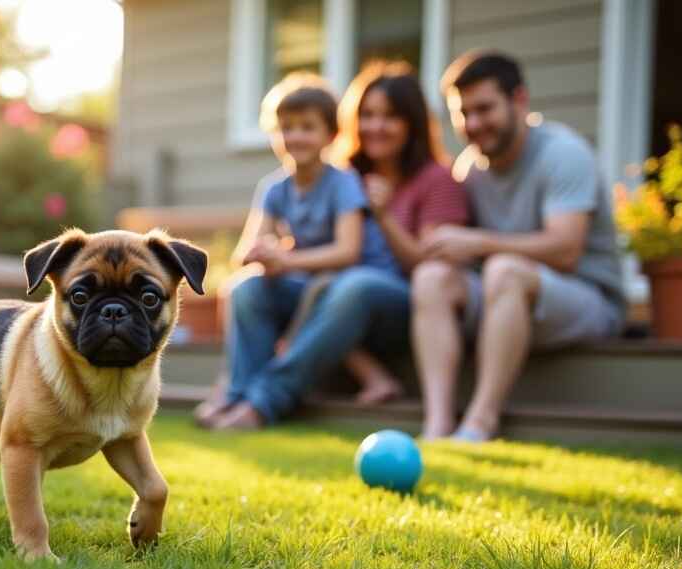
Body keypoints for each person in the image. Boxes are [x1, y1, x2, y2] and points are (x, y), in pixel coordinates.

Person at [197, 66, 461, 430]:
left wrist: (286, 260)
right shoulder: (276, 187)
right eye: (286, 128)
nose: (295, 136)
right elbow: (252, 246)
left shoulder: (347, 180)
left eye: (307, 127)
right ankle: (237, 393)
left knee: (342, 286)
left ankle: (264, 401)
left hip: (376, 287)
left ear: (329, 134)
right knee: (246, 287)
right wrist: (264, 253)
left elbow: (349, 252)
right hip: (322, 282)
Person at [411, 51, 625, 441]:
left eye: (484, 109)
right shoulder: (470, 169)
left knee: (504, 269)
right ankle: (437, 425)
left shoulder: (563, 152)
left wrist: (477, 242)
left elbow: (566, 250)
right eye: (463, 114)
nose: (473, 124)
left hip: (587, 300)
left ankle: (481, 422)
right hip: (506, 300)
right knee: (431, 278)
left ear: (519, 100)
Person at [337, 61, 470, 403]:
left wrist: (383, 216)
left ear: (412, 124)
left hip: (406, 306)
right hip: (343, 303)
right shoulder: (345, 177)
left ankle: (268, 394)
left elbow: (425, 266)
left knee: (354, 284)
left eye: (390, 116)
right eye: (367, 115)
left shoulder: (437, 179)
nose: (375, 126)